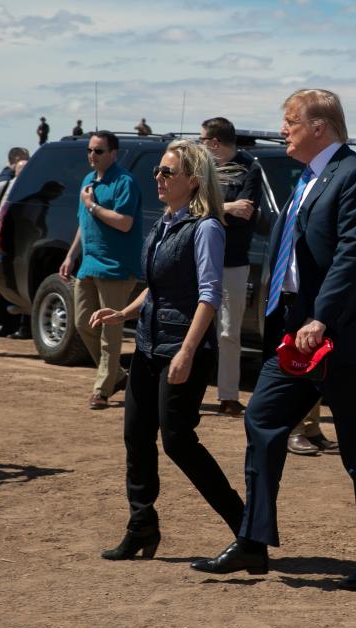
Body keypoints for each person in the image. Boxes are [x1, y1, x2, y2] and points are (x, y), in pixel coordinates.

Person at [192, 89, 356, 591]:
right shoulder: (307, 178)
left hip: (341, 336)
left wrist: (323, 319)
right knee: (262, 418)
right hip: (295, 333)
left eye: (290, 121)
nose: (282, 129)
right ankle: (253, 543)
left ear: (320, 127)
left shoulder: (355, 177)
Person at [91, 139, 245, 560]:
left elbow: (209, 296)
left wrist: (188, 351)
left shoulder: (207, 227)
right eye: (157, 171)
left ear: (192, 182)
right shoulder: (165, 222)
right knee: (136, 436)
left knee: (178, 441)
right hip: (147, 344)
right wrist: (122, 312)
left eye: (166, 172)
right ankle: (142, 525)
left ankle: (247, 529)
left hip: (182, 349)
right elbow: (158, 291)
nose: (158, 178)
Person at [59, 131, 144, 410]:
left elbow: (124, 223)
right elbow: (83, 225)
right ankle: (117, 376)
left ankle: (102, 390)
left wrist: (93, 206)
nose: (92, 155)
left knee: (111, 332)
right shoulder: (87, 181)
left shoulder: (124, 182)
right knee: (83, 322)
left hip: (117, 268)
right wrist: (71, 256)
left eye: (98, 151)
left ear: (113, 154)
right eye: (90, 150)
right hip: (89, 265)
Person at [200, 116, 263, 417]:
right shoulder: (202, 168)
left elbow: (246, 212)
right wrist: (224, 208)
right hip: (200, 260)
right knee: (193, 330)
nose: (200, 146)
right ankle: (189, 391)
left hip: (234, 263)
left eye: (203, 140)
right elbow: (189, 208)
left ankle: (228, 395)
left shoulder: (251, 168)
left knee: (228, 331)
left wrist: (210, 211)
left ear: (215, 142)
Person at [0, 147, 30, 339]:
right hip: (1, 242)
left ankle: (23, 326)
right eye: (21, 170)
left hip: (22, 244)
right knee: (1, 284)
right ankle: (2, 323)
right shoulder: (3, 187)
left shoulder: (31, 191)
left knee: (21, 284)